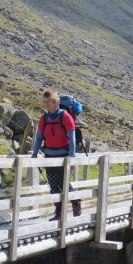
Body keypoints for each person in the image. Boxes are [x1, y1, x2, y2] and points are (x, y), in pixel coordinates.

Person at [31, 89, 81, 221]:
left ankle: (75, 202)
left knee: (62, 182)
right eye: (44, 102)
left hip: (63, 156)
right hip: (49, 156)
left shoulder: (65, 117)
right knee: (53, 185)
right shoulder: (44, 118)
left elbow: (72, 138)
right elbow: (39, 137)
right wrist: (34, 153)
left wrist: (72, 157)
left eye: (49, 101)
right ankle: (58, 213)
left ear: (56, 102)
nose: (46, 104)